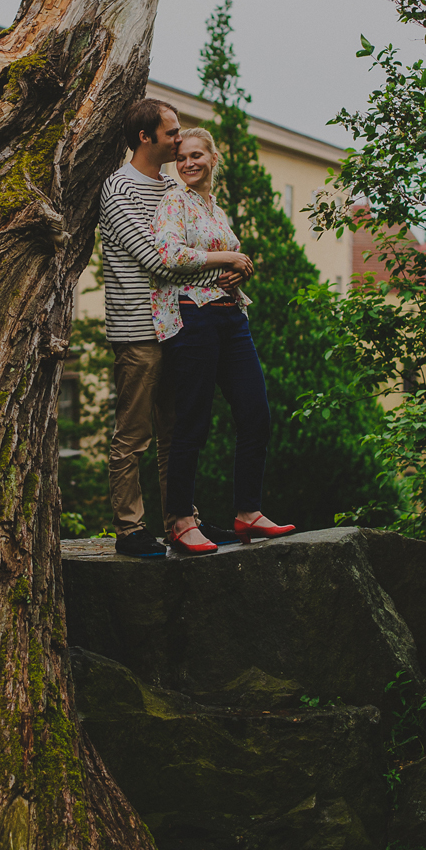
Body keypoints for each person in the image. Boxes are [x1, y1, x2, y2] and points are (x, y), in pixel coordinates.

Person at [99, 99, 253, 557]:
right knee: (133, 434)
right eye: (172, 134)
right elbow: (158, 259)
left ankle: (181, 522)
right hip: (137, 328)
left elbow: (198, 243)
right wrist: (224, 265)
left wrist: (233, 272)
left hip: (179, 320)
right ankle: (130, 529)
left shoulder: (171, 186)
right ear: (146, 137)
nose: (179, 141)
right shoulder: (119, 189)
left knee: (178, 429)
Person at [151, 127, 295, 555]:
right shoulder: (174, 200)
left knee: (256, 413)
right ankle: (180, 520)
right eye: (182, 158)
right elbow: (169, 255)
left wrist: (237, 269)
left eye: (197, 155)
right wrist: (228, 258)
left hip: (232, 318)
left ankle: (248, 512)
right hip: (193, 318)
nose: (188, 163)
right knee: (192, 422)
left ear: (215, 159)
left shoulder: (214, 207)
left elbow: (220, 257)